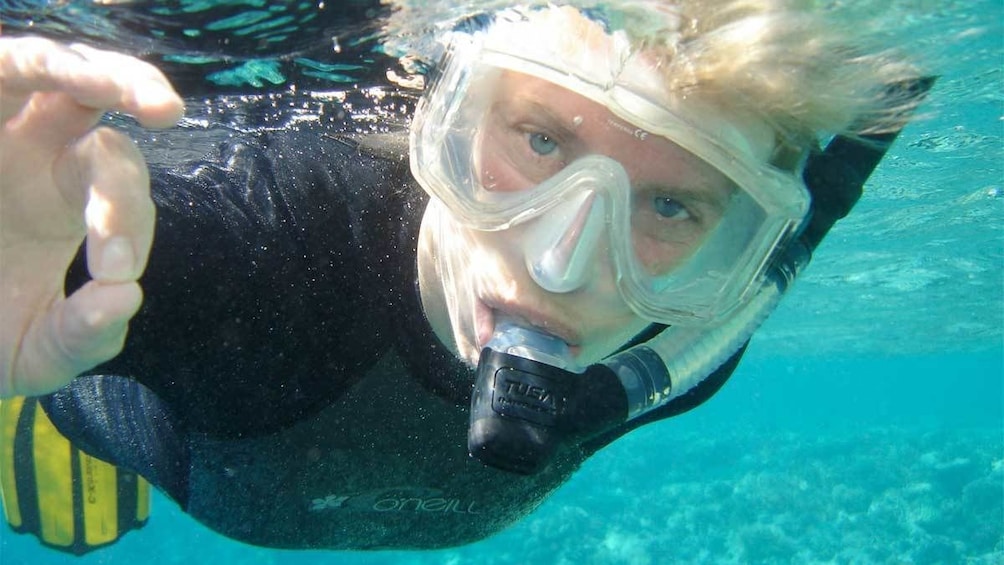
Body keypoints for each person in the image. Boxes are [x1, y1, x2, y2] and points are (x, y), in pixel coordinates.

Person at [0, 1, 926, 553]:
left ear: (731, 247)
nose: (562, 263)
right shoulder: (277, 245)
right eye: (537, 138)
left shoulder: (692, 328)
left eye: (671, 206)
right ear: (441, 114)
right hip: (123, 426)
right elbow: (85, 241)